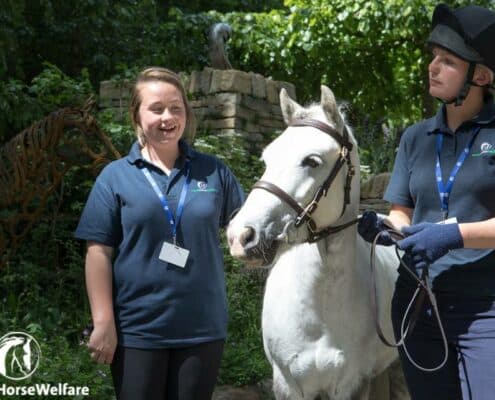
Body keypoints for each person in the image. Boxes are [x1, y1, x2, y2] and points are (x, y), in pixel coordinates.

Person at [75, 67, 245, 400]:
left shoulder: (214, 171)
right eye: (156, 109)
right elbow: (98, 252)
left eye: (176, 108)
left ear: (186, 114)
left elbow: (244, 229)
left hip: (202, 330)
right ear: (136, 116)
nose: (167, 117)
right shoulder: (115, 177)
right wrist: (103, 321)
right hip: (137, 332)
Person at [358, 4, 495, 400]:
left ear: (481, 76)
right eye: (433, 57)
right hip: (418, 306)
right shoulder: (415, 138)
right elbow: (403, 211)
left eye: (448, 61)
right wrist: (388, 228)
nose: (432, 67)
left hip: (485, 309)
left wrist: (450, 236)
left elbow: (446, 233)